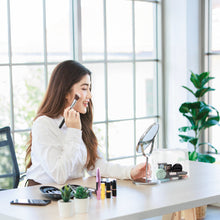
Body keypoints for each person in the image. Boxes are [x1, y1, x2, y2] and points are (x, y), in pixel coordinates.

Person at [25, 60, 149, 186]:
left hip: (71, 194)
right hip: (41, 194)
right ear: (66, 93)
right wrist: (74, 131)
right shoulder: (43, 125)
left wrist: (131, 172)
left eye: (89, 88)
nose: (89, 95)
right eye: (84, 88)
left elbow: (97, 165)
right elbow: (59, 175)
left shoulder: (79, 121)